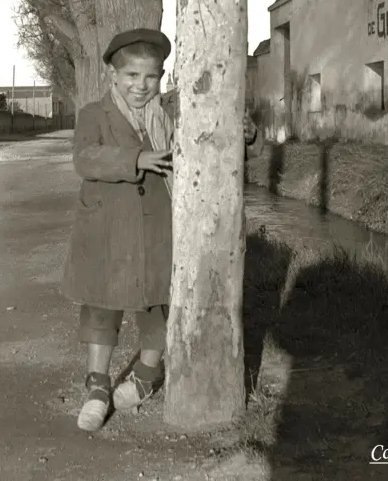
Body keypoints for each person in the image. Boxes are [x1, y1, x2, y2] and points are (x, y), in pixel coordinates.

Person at [62, 28, 263, 432]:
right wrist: (137, 157)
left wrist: (243, 135)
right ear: (113, 77)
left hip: (159, 226)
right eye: (132, 77)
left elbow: (208, 144)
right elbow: (85, 158)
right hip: (107, 227)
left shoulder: (171, 113)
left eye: (150, 77)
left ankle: (146, 374)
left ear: (162, 76)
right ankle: (98, 385)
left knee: (159, 301)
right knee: (103, 303)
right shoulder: (92, 115)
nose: (141, 86)